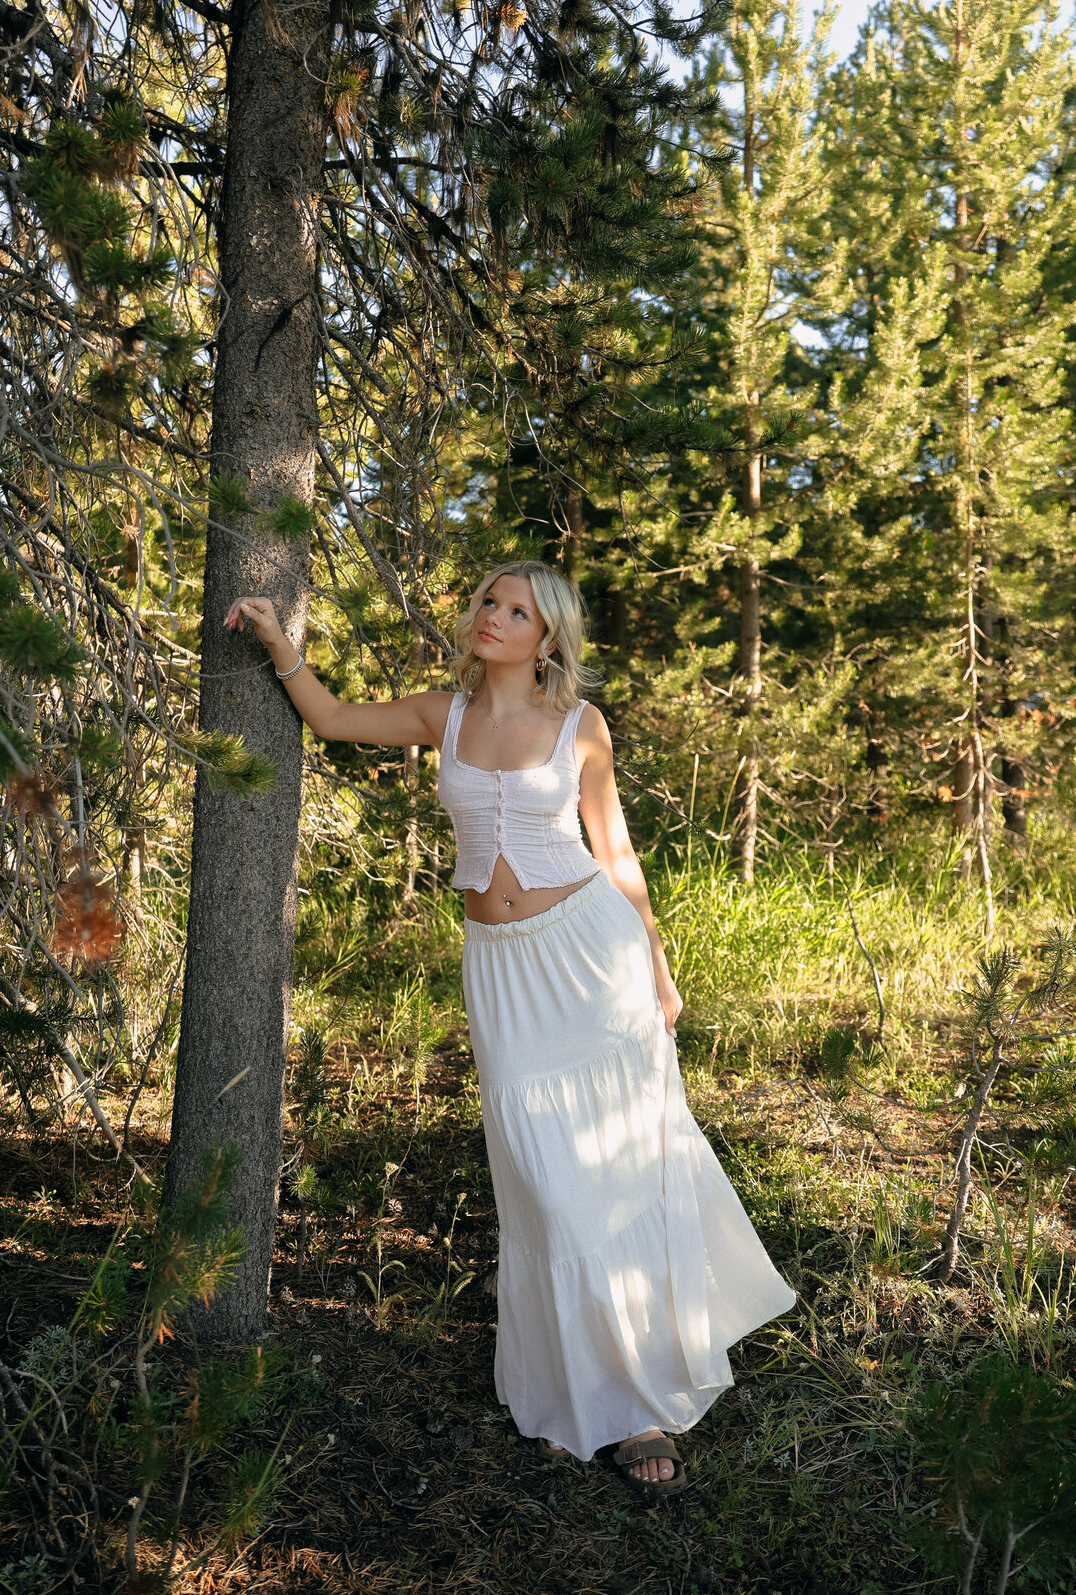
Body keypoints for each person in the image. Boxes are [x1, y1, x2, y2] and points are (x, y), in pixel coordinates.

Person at [225, 560, 794, 1493]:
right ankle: (579, 1376)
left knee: (615, 1174)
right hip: (501, 972)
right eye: (489, 600)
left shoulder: (580, 728)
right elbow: (329, 720)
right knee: (544, 1180)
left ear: (550, 638)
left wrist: (656, 959)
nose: (494, 616)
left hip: (589, 956)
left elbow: (616, 852)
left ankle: (642, 1403)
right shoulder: (439, 715)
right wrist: (283, 644)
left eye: (517, 610)